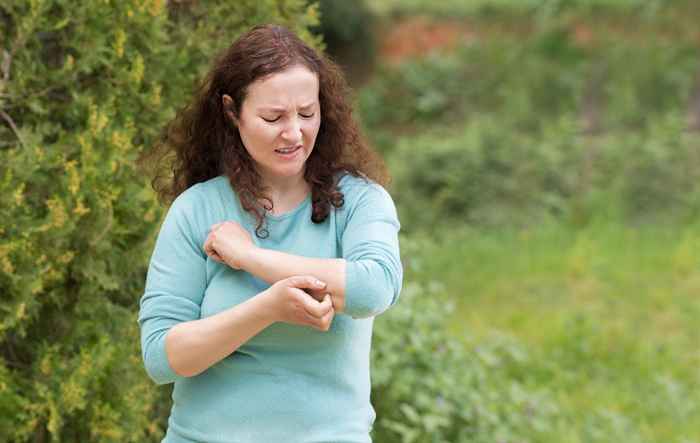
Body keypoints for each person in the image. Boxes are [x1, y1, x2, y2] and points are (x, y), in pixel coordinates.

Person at [137, 24, 403, 443]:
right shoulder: (197, 209)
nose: (294, 133)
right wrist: (268, 309)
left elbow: (374, 288)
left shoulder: (359, 201)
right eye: (273, 117)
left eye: (307, 113)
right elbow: (161, 357)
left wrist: (252, 259)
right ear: (231, 112)